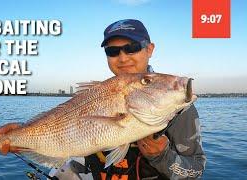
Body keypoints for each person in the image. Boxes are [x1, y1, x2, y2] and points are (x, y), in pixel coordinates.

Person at [85, 19, 206, 180]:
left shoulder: (176, 106)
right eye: (112, 51)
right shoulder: (96, 94)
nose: (122, 58)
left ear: (149, 49)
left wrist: (162, 156)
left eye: (132, 48)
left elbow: (195, 171)